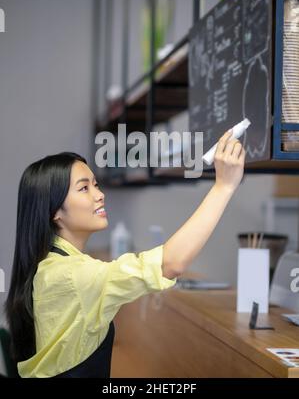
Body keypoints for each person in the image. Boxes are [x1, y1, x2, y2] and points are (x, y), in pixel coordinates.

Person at [5, 130, 245, 378]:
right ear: (55, 211)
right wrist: (224, 187)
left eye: (96, 185)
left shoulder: (54, 266)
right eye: (84, 188)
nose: (100, 195)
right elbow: (171, 263)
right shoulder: (71, 276)